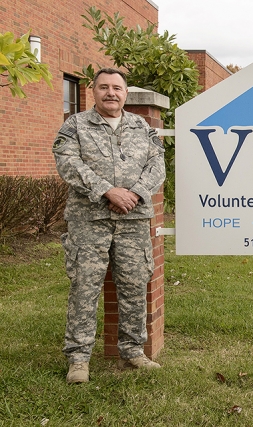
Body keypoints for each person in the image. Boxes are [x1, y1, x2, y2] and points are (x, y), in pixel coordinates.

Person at [53, 68, 166, 384]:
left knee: (133, 285)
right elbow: (68, 163)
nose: (111, 93)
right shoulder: (74, 126)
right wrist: (106, 190)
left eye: (117, 88)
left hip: (133, 220)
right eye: (104, 87)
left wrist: (135, 193)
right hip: (89, 221)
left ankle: (132, 351)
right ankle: (78, 359)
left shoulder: (141, 127)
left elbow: (157, 165)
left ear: (126, 93)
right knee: (84, 287)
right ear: (93, 91)